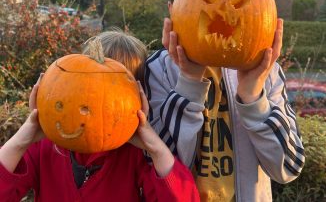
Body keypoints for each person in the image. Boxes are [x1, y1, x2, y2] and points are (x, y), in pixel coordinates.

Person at [144, 0, 305, 201]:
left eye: (238, 3)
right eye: (202, 4)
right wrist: (188, 82)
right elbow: (160, 163)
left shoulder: (266, 72)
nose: (223, 13)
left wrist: (253, 97)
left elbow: (289, 167)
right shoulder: (157, 71)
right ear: (172, 11)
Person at [0, 30, 200, 202]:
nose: (99, 102)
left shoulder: (138, 155)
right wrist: (22, 139)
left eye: (117, 91)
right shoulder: (46, 146)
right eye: (90, 83)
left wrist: (156, 148)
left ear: (140, 97)